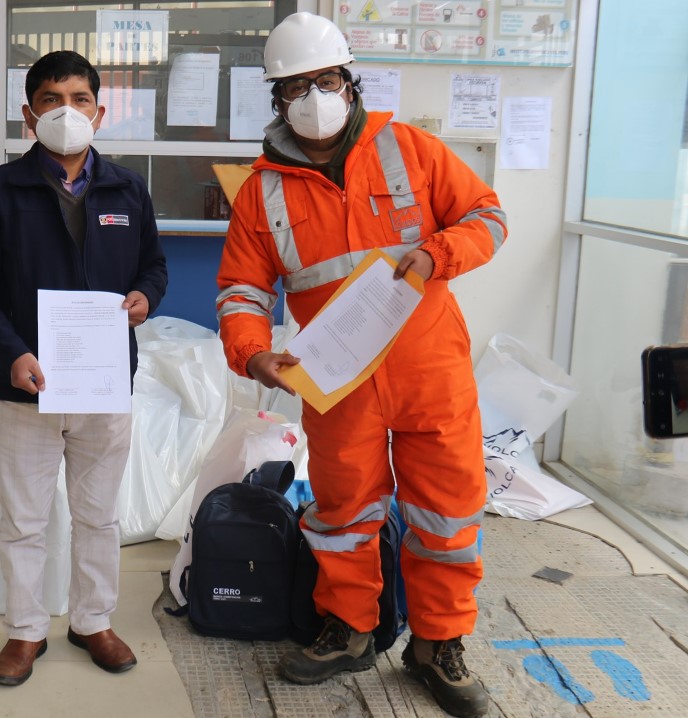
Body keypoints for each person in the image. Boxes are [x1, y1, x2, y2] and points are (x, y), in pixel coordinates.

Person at [215, 13, 506, 718]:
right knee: (343, 512)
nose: (314, 98)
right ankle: (347, 628)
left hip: (430, 372)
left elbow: (487, 218)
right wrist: (253, 352)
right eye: (296, 87)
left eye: (326, 81)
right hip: (336, 379)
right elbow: (243, 289)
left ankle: (438, 642)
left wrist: (438, 254)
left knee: (445, 513)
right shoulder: (261, 191)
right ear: (277, 99)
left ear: (350, 82)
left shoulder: (411, 149)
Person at [0, 49, 168, 687]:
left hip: (104, 383)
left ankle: (93, 620)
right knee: (24, 520)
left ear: (99, 112)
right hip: (26, 384)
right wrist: (12, 351)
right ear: (29, 115)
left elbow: (154, 266)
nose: (65, 112)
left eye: (79, 99)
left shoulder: (128, 189)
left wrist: (146, 296)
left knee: (99, 515)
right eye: (51, 99)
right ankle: (25, 630)